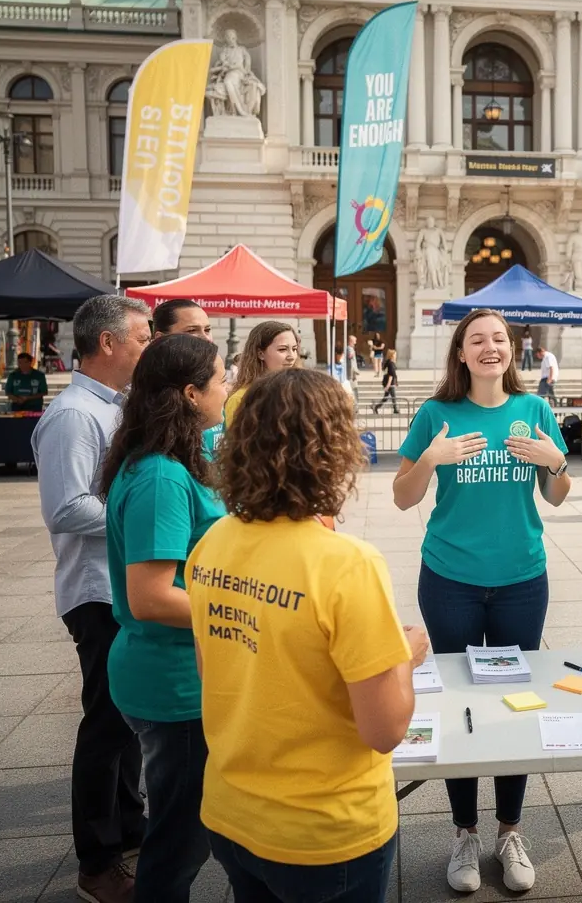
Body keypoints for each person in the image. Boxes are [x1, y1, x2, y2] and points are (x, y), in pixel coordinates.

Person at [187, 369, 428, 903]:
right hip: (324, 832)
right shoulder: (346, 563)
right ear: (333, 450)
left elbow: (215, 672)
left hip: (231, 812)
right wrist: (405, 656)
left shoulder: (213, 542)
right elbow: (385, 729)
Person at [393, 308, 572, 893]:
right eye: (478, 340)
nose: (490, 347)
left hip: (522, 580)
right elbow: (402, 497)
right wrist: (431, 459)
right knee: (459, 703)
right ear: (461, 353)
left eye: (499, 338)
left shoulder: (534, 410)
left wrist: (555, 462)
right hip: (450, 580)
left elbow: (557, 495)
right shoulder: (436, 413)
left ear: (512, 349)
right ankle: (465, 832)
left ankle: (510, 830)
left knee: (515, 700)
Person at [30, 294, 152, 903]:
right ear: (108, 343)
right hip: (95, 591)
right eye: (142, 337)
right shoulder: (74, 415)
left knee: (126, 718)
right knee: (106, 725)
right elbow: (67, 507)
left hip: (119, 585)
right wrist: (144, 515)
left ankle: (130, 827)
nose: (148, 346)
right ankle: (97, 862)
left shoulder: (113, 406)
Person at [99, 335, 228, 903]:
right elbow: (151, 597)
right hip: (173, 683)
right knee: (180, 840)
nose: (228, 388)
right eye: (220, 379)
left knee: (186, 828)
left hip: (179, 672)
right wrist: (241, 613)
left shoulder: (170, 463)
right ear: (190, 393)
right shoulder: (160, 476)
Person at [151, 299, 222, 456]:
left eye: (208, 330)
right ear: (161, 338)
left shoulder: (215, 395)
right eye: (192, 331)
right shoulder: (149, 401)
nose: (206, 339)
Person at [223, 321, 298, 428]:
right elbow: (235, 437)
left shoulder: (299, 392)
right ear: (260, 353)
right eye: (282, 349)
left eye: (294, 349)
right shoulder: (241, 399)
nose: (291, 356)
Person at [373, 348, 399, 415]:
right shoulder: (391, 364)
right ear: (392, 355)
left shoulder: (388, 363)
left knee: (385, 398)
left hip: (388, 383)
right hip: (390, 384)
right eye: (395, 354)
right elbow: (391, 375)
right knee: (393, 397)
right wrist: (388, 385)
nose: (396, 356)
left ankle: (376, 407)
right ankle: (395, 409)